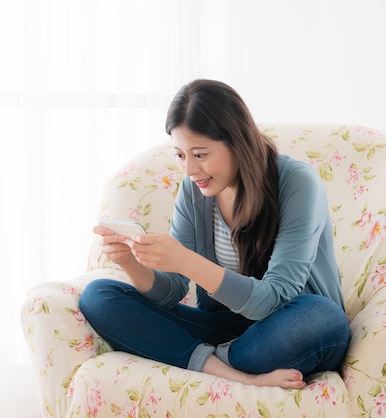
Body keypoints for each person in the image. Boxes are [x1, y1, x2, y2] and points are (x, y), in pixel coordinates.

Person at [78, 79, 350, 389]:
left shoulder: (297, 183)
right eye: (180, 155)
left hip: (292, 329)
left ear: (237, 141)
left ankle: (195, 357)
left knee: (322, 316)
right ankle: (234, 373)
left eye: (200, 154)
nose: (190, 171)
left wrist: (186, 260)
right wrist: (131, 263)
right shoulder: (193, 192)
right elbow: (172, 292)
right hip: (231, 332)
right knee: (100, 296)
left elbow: (272, 300)